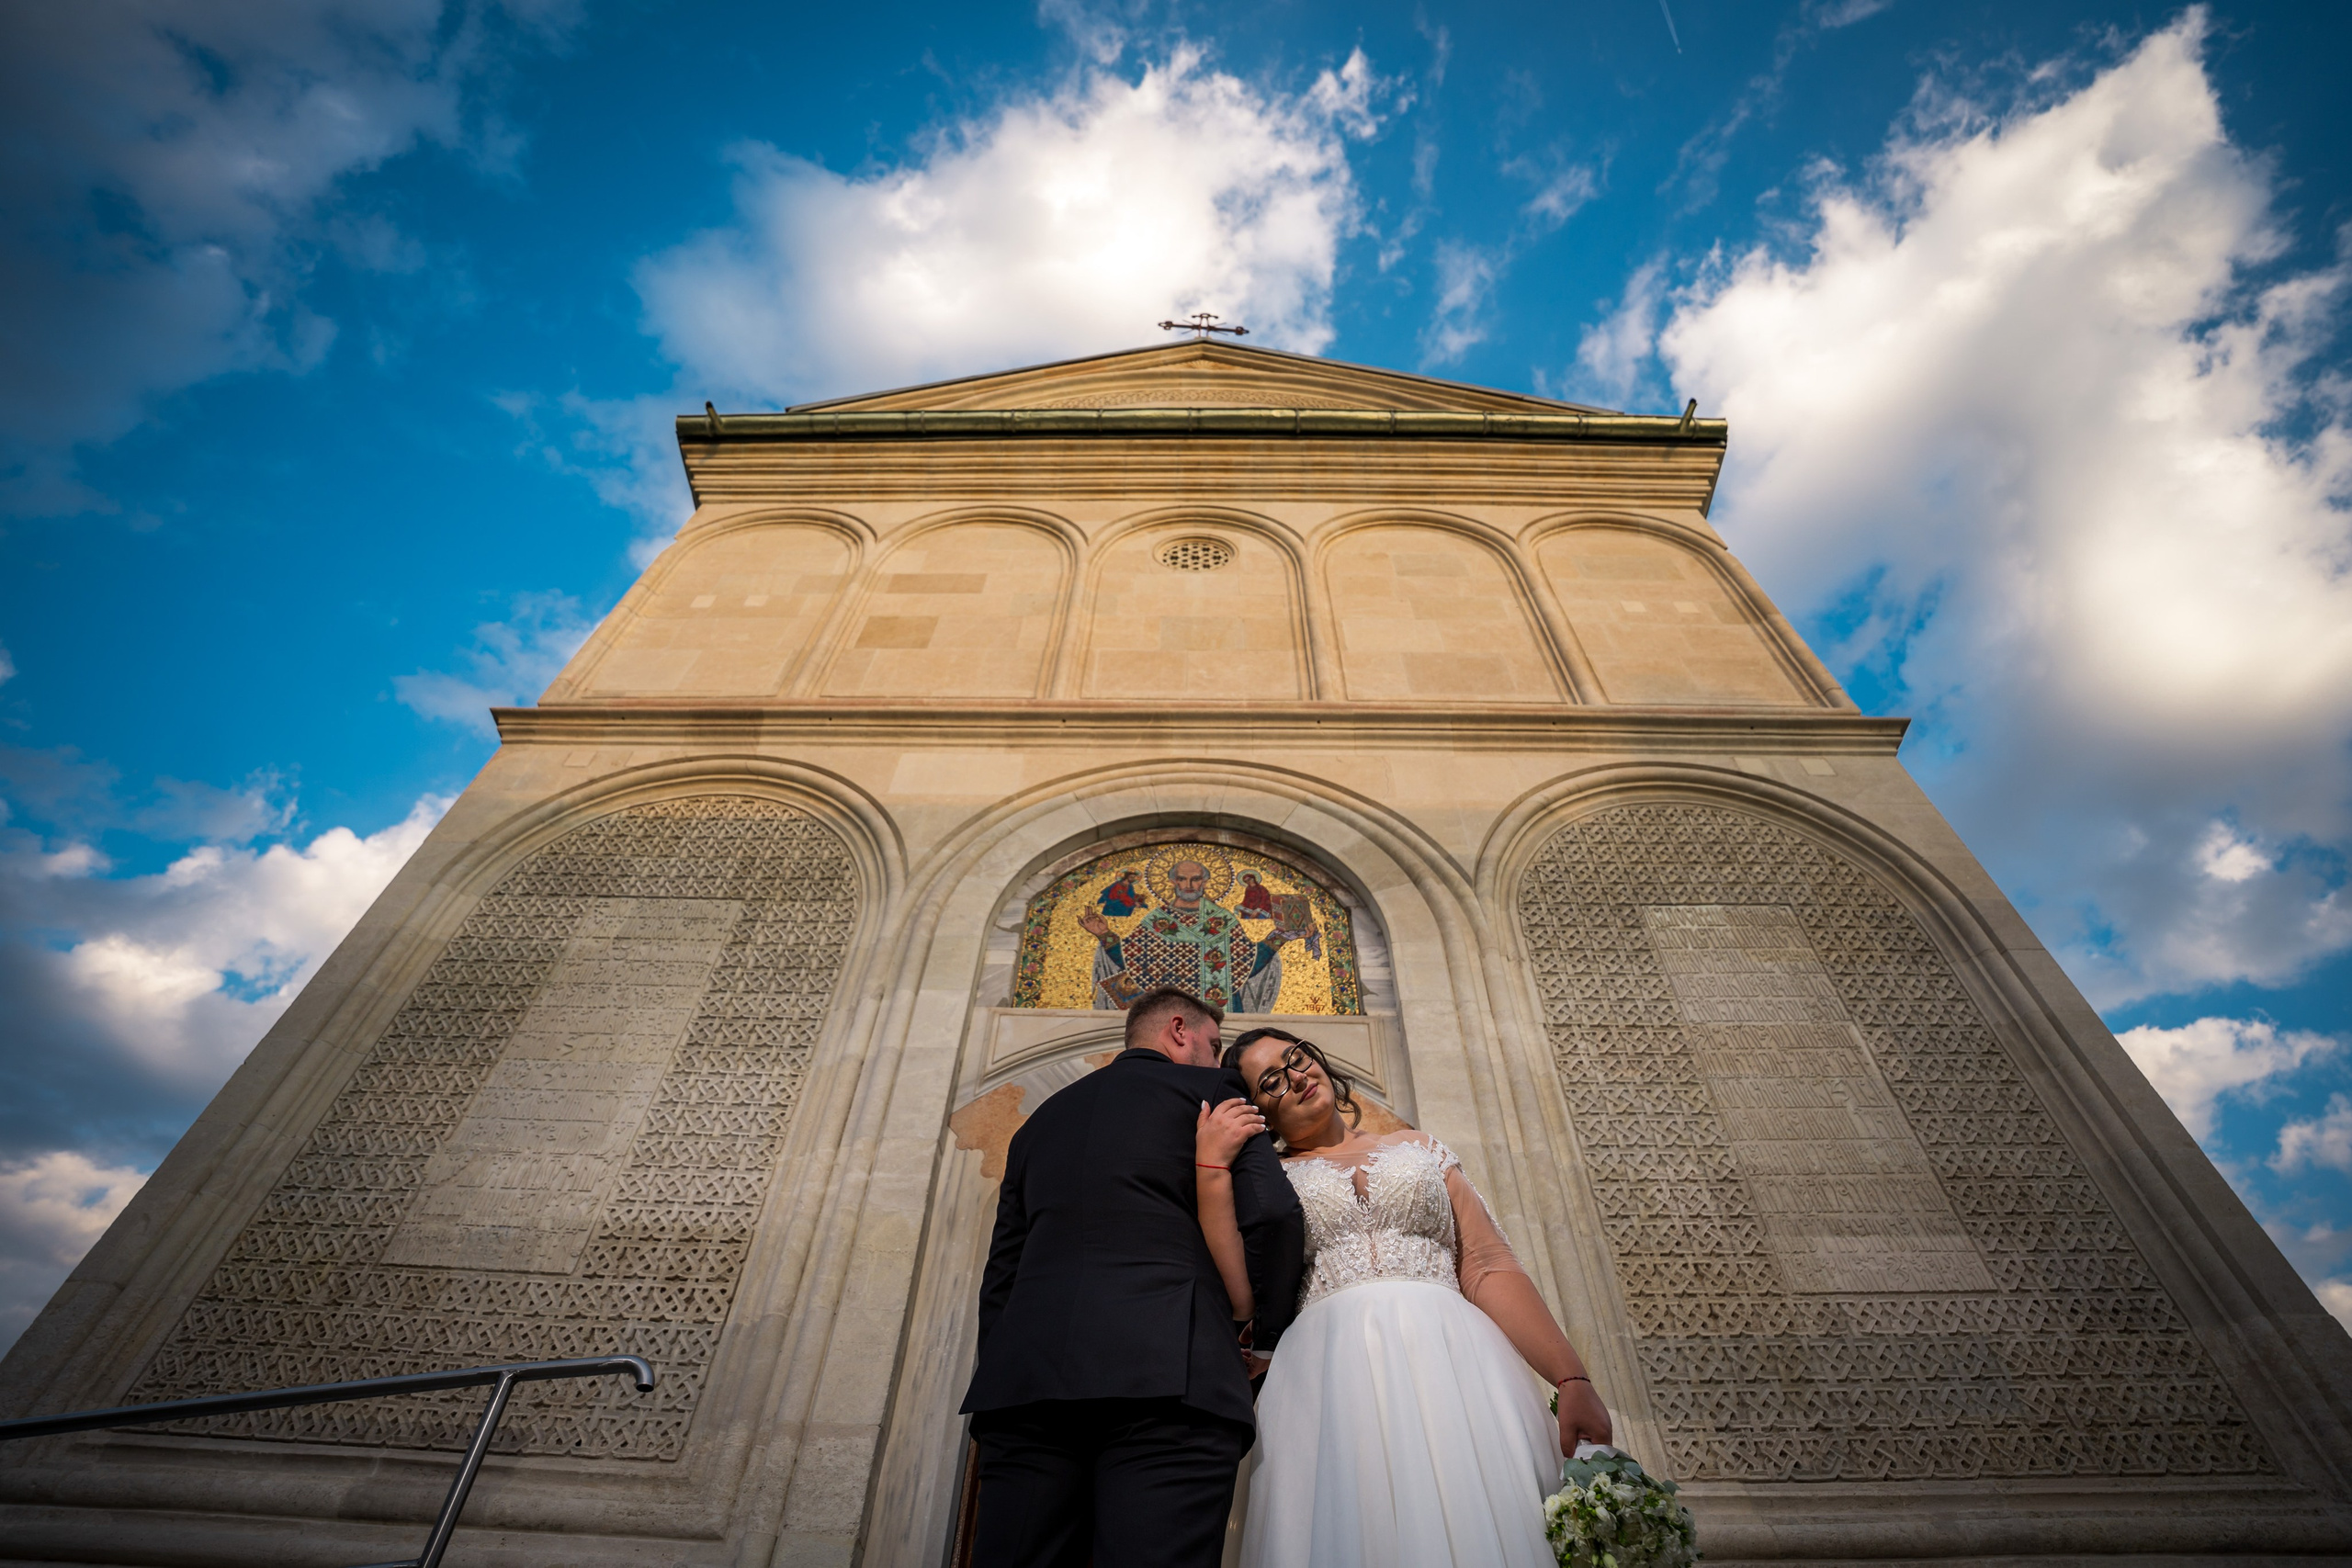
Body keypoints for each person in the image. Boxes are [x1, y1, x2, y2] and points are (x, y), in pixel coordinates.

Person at [1192, 1026, 1614, 1568]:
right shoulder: (1269, 1181)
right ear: (1259, 1112)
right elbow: (1240, 1287)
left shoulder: (1419, 1148)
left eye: (1296, 1058)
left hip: (1454, 1359)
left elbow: (1487, 1265)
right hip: (1327, 1378)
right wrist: (1212, 1168)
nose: (1296, 1077)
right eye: (1272, 1080)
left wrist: (1570, 1376)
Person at [960, 987, 1306, 1568]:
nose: (1219, 1061)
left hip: (1026, 1390)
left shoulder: (1038, 1124)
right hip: (1171, 1379)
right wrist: (1262, 1333)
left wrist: (1005, 1374)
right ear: (1179, 1030)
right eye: (1214, 1045)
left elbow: (1003, 1274)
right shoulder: (1211, 1093)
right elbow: (1273, 1213)